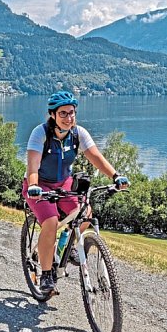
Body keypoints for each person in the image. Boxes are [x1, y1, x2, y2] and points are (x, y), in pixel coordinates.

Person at [22, 91, 129, 295]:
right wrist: (34, 187)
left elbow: (96, 157)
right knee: (51, 222)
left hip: (64, 183)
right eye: (63, 113)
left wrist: (116, 176)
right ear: (52, 115)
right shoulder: (40, 133)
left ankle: (65, 247)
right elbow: (33, 167)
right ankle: (46, 275)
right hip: (39, 185)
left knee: (85, 214)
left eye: (71, 113)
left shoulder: (78, 133)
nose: (69, 118)